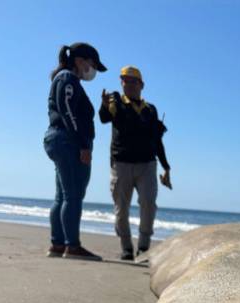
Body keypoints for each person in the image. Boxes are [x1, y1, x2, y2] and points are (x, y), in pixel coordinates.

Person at [99, 66, 172, 260]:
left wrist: (166, 166)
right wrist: (104, 106)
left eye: (133, 81)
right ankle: (126, 247)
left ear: (142, 85)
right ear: (121, 82)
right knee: (121, 209)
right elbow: (104, 118)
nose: (129, 84)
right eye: (125, 80)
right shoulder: (115, 100)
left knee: (148, 204)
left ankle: (144, 247)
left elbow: (157, 141)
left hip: (147, 165)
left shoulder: (150, 109)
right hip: (121, 164)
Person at [43, 43, 107, 261]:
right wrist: (83, 145)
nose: (94, 71)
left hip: (60, 140)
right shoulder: (67, 79)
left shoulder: (64, 79)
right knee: (73, 195)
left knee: (62, 195)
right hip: (68, 142)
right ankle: (72, 246)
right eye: (93, 65)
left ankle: (58, 244)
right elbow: (67, 111)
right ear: (80, 61)